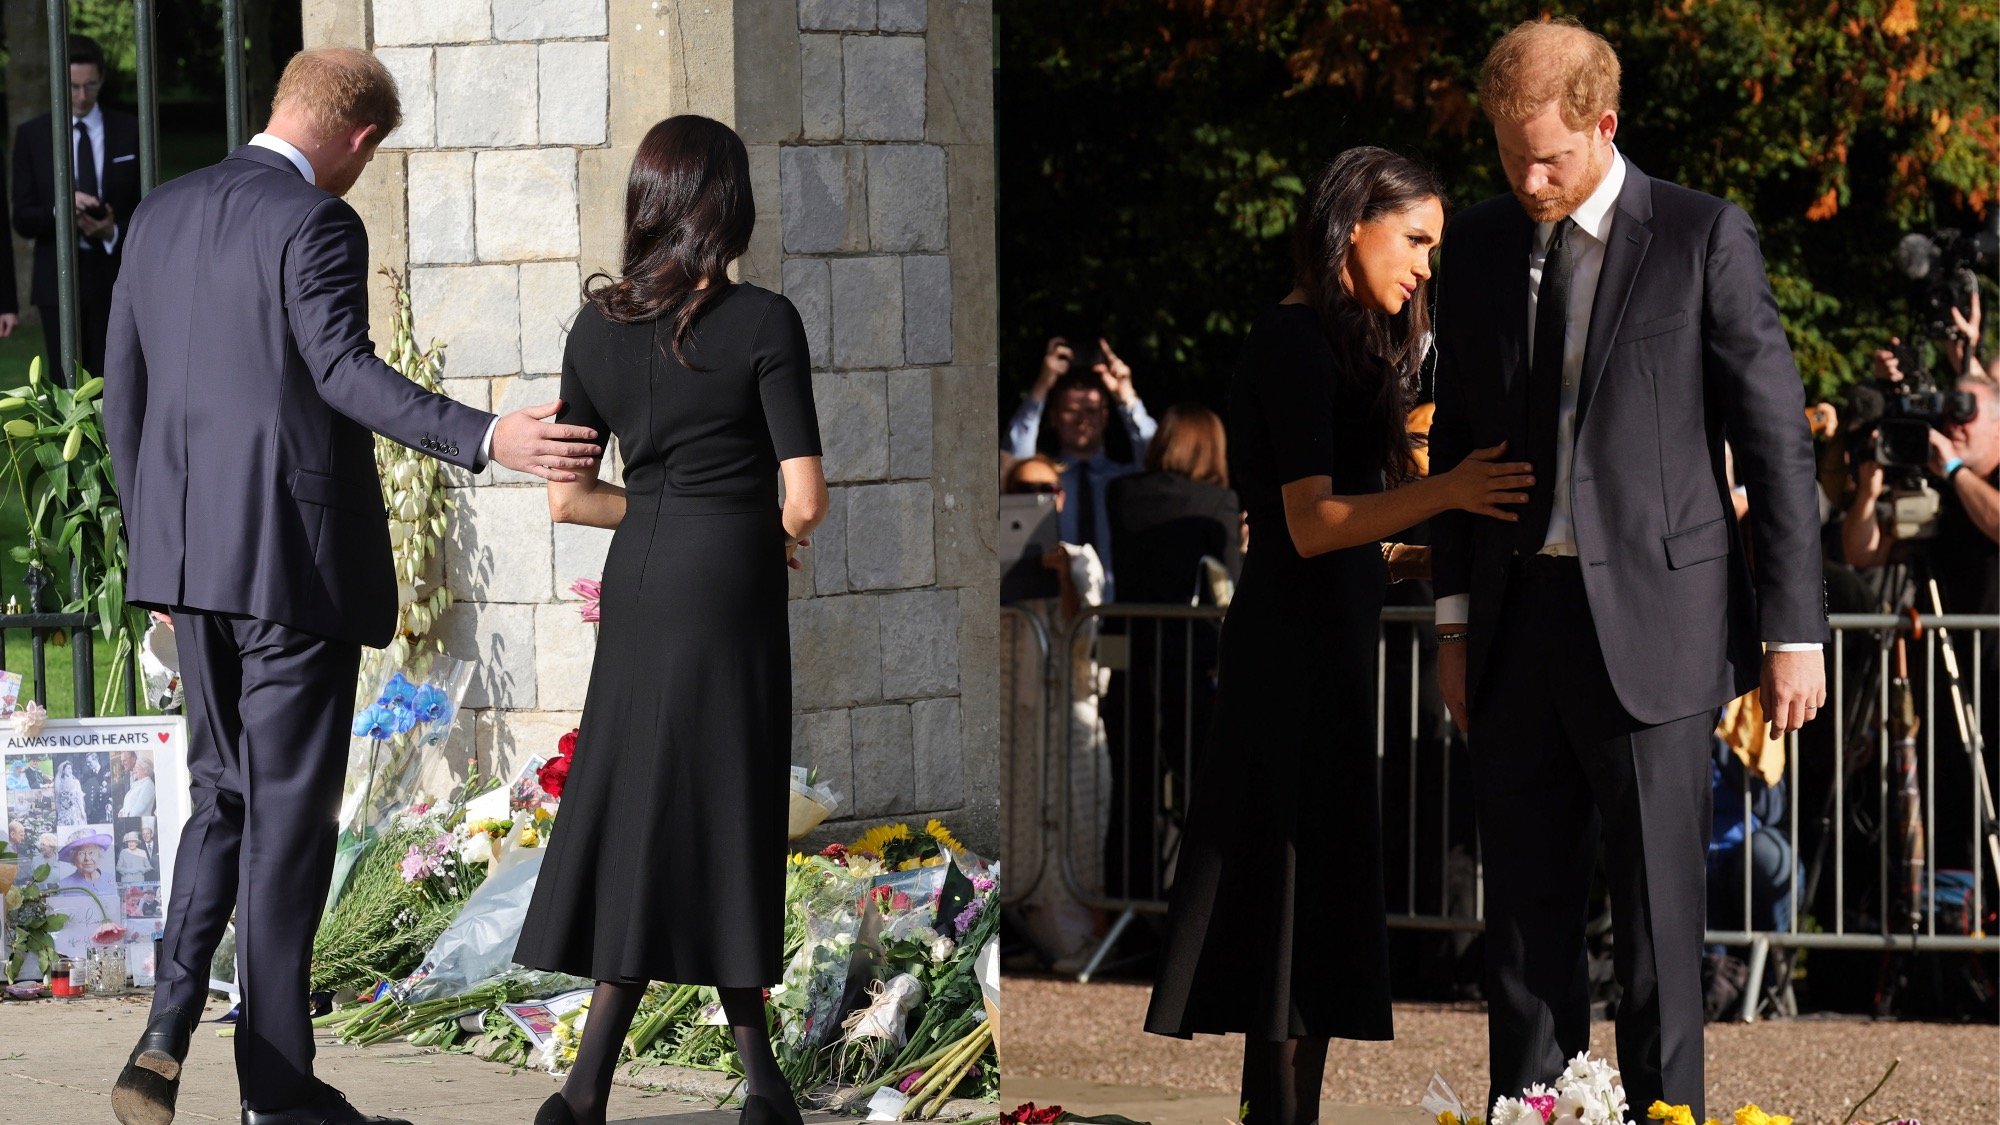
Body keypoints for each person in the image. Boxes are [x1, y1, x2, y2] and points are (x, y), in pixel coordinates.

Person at [101, 48, 599, 1125]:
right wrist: (486, 435)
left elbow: (122, 400)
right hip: (288, 567)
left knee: (224, 799)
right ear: (361, 139)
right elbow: (341, 372)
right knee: (286, 826)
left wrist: (156, 557)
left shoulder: (161, 213)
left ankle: (163, 1031)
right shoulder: (315, 221)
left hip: (186, 569)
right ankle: (276, 1097)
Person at [1427, 21, 1827, 1116]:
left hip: (1657, 630)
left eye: (1548, 156)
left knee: (1657, 933)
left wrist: (1793, 632)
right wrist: (1452, 628)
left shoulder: (1701, 236)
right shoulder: (1472, 244)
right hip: (1513, 628)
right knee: (1519, 936)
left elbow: (1775, 440)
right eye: (1508, 156)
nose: (1527, 178)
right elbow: (1457, 442)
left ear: (1603, 125)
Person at [1143, 147, 1534, 1125]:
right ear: (1350, 222)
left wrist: (1436, 548)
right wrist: (1444, 492)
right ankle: (1274, 1115)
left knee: (1310, 904)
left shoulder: (1338, 344)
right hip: (1289, 657)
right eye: (1413, 240)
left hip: (1322, 645)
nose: (1423, 267)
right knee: (1285, 901)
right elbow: (1310, 524)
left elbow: (1344, 537)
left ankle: (1284, 1114)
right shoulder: (1292, 341)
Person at [510, 115, 826, 1125]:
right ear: (726, 204)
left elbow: (567, 498)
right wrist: (759, 528)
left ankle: (663, 1081)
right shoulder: (764, 320)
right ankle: (720, 1082)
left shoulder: (594, 326)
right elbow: (806, 497)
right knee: (725, 807)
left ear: (647, 201)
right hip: (730, 580)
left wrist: (668, 510)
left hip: (641, 576)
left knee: (650, 803)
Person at [1101, 404, 1241, 901]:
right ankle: (1197, 907)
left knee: (1132, 789)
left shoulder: (1122, 493)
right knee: (1200, 792)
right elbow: (1226, 583)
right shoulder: (1218, 502)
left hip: (1130, 656)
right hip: (1189, 660)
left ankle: (1127, 904)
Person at [999, 453, 1112, 973]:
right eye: (1024, 487)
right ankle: (1014, 921)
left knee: (1072, 817)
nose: (1038, 495)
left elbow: (1082, 636)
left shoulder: (1083, 557)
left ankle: (1077, 930)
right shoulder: (995, 554)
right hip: (1014, 711)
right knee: (1018, 814)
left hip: (1064, 707)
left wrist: (1064, 576)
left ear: (1061, 496)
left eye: (1046, 487)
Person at [10, 35, 142, 384]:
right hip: (57, 279)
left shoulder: (130, 130)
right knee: (64, 382)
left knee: (118, 379)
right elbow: (22, 217)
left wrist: (113, 231)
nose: (82, 97)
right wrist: (61, 210)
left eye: (90, 86)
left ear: (101, 80)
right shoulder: (33, 135)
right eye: (72, 87)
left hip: (116, 276)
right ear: (59, 82)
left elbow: (150, 205)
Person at [1004, 338, 1159, 593]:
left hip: (1121, 611)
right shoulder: (1045, 483)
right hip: (1056, 611)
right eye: (1071, 410)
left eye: (1091, 410)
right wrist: (1043, 384)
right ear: (1053, 417)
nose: (1082, 420)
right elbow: (1013, 465)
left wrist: (1127, 398)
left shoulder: (1127, 481)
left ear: (1105, 416)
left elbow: (1161, 461)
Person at [55, 759, 86, 827]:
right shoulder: (59, 784)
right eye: (68, 768)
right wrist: (60, 812)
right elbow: (57, 800)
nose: (70, 770)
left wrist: (82, 812)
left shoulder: (76, 782)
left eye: (71, 768)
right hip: (64, 813)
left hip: (75, 812)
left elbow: (79, 798)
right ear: (63, 770)